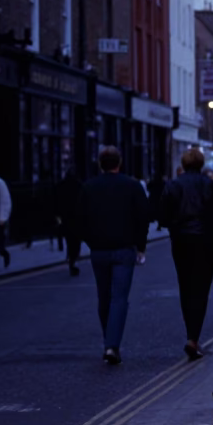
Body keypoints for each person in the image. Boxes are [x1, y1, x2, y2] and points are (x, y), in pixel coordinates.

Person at [76, 146, 150, 365]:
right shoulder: (133, 186)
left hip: (99, 250)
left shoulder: (89, 187)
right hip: (124, 249)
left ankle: (109, 340)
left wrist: (91, 241)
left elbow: (80, 219)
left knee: (104, 297)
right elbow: (143, 217)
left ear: (101, 164)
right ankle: (111, 345)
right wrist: (141, 246)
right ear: (120, 163)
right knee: (119, 298)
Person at [160, 149, 213, 360]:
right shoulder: (211, 185)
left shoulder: (173, 185)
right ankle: (193, 338)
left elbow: (163, 217)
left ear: (183, 165)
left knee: (186, 287)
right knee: (201, 289)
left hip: (182, 241)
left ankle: (190, 335)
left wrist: (176, 225)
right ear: (201, 164)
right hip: (205, 240)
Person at [55, 168, 84, 276]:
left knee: (69, 239)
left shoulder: (60, 186)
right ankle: (73, 259)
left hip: (65, 217)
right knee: (76, 241)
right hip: (77, 218)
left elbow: (55, 202)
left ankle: (70, 256)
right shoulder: (80, 186)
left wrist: (57, 216)